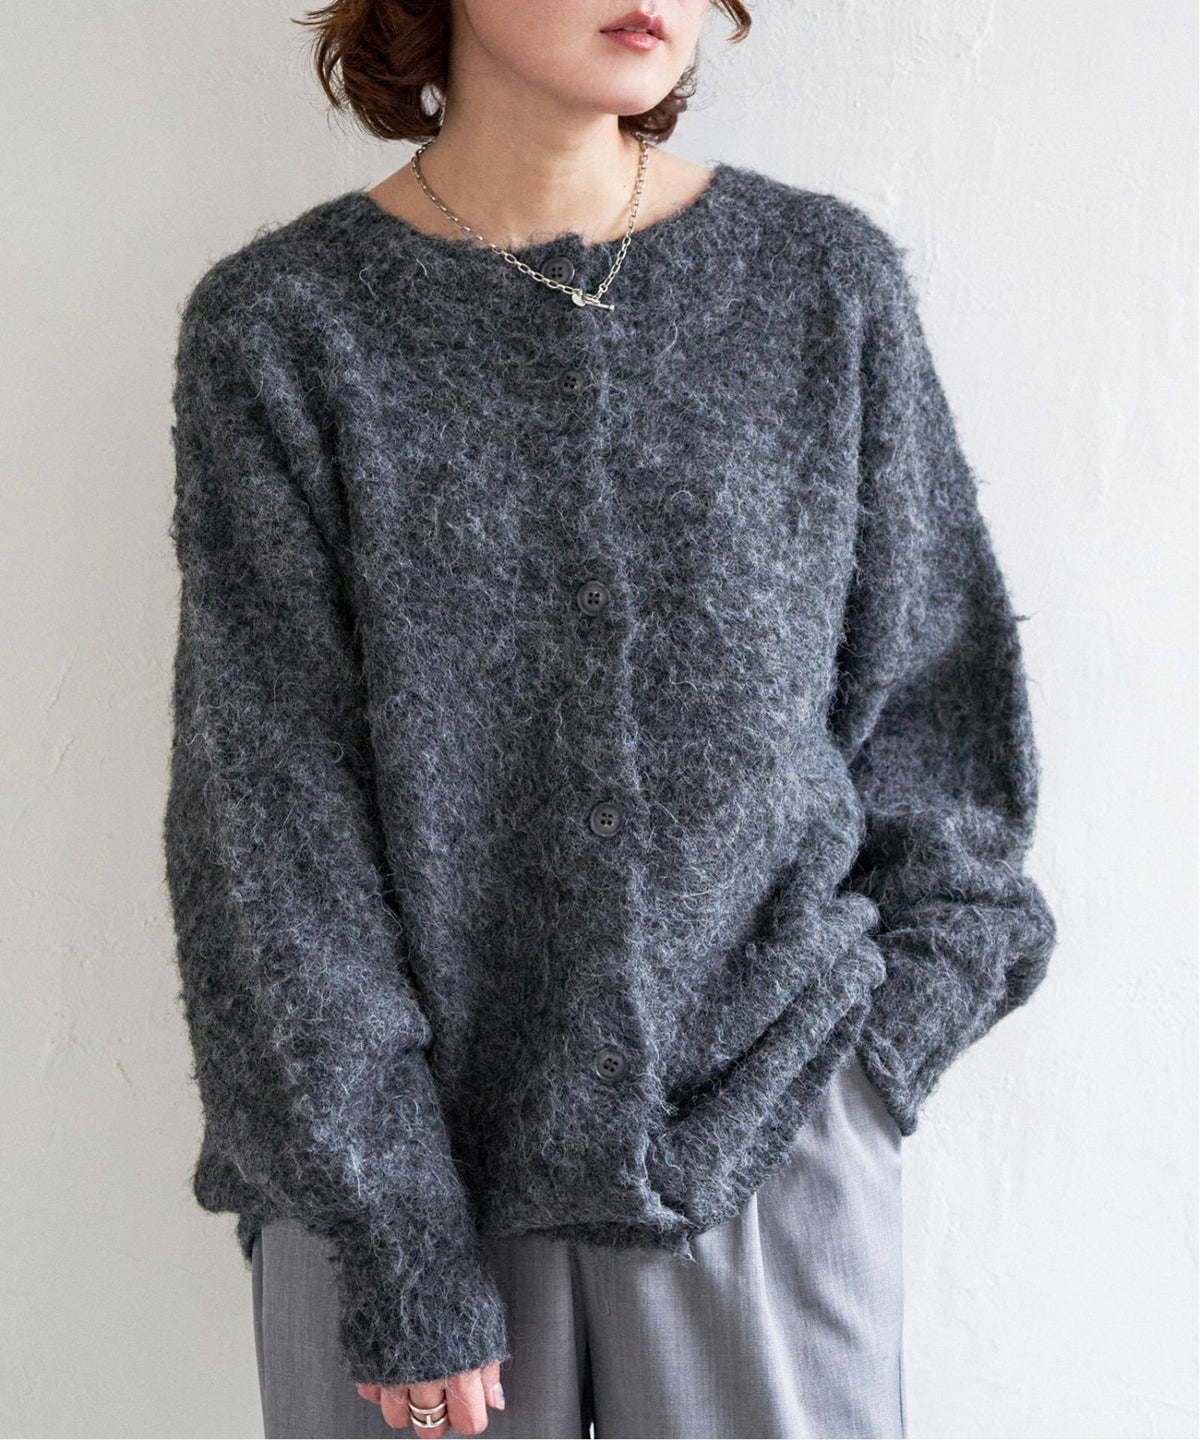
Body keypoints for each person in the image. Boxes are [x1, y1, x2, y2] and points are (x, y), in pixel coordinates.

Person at [162, 1, 1058, 1437]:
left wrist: (871, 1070)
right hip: (393, 1178)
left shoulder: (818, 285)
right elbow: (269, 828)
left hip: (769, 1141)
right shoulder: (286, 328)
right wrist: (393, 1229)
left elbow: (937, 721)